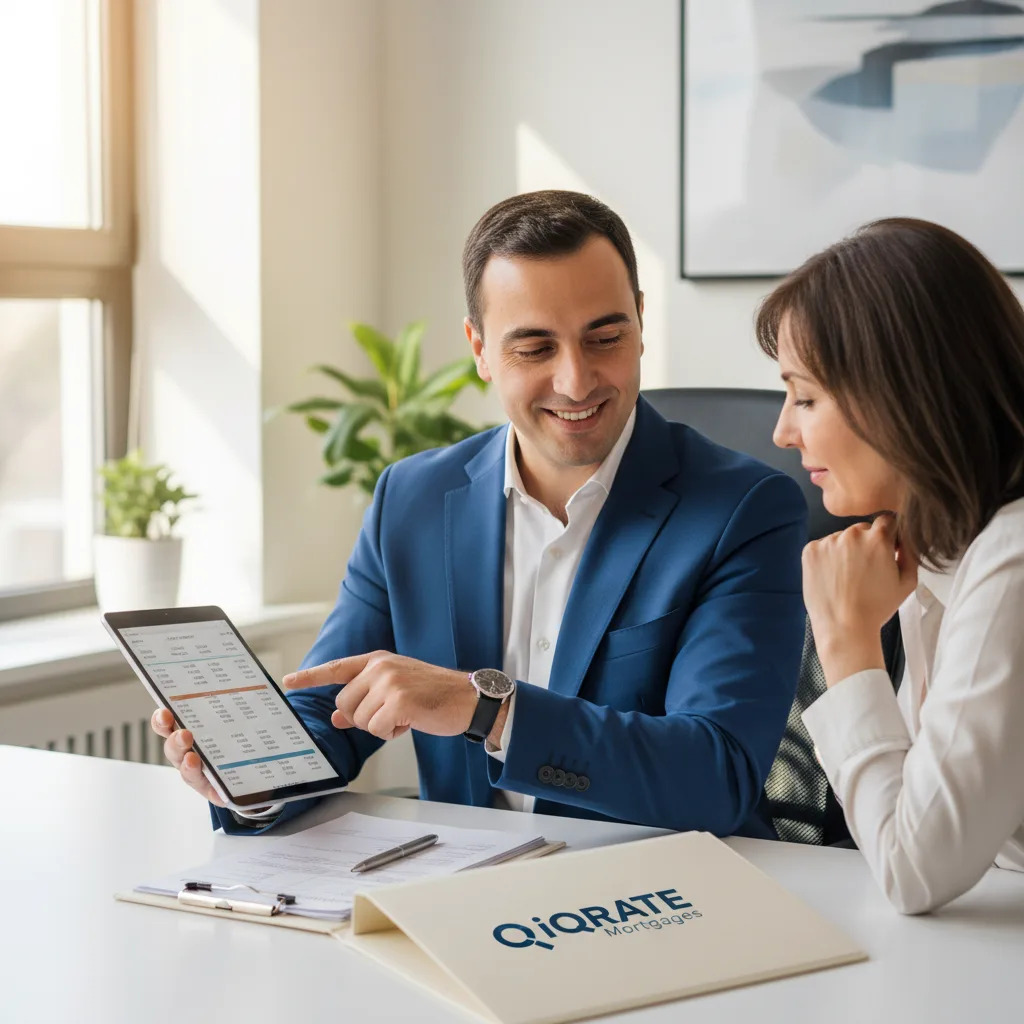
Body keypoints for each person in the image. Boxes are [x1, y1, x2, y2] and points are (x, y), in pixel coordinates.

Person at [153, 190, 807, 838]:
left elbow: (716, 776)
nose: (577, 381)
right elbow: (333, 712)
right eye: (534, 349)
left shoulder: (743, 511)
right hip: (467, 894)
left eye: (605, 336)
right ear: (479, 349)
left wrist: (489, 711)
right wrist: (249, 775)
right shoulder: (410, 500)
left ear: (640, 322)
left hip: (668, 902)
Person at [759, 217, 1024, 913]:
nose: (783, 431)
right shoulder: (934, 546)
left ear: (903, 394)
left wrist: (845, 642)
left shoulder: (1012, 560)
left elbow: (913, 869)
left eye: (806, 396)